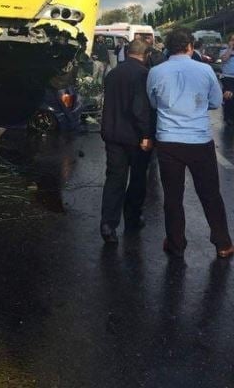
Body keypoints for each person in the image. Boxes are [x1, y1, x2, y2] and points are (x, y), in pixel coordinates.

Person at [147, 28, 234, 258]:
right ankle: (223, 243)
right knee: (210, 194)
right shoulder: (205, 70)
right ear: (190, 47)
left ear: (167, 47)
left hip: (168, 141)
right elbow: (215, 102)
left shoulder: (155, 72)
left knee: (173, 197)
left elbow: (153, 104)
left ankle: (176, 243)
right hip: (199, 140)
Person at [100, 39, 154, 244]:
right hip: (134, 138)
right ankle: (132, 217)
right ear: (145, 54)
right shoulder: (142, 74)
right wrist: (146, 135)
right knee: (138, 178)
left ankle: (108, 224)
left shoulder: (113, 73)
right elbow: (140, 108)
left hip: (112, 134)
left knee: (114, 179)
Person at [220, 34, 234, 125]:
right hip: (227, 77)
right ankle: (228, 117)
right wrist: (230, 48)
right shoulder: (224, 51)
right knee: (229, 97)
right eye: (232, 40)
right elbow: (224, 59)